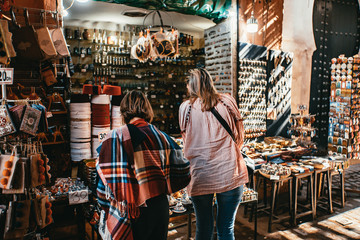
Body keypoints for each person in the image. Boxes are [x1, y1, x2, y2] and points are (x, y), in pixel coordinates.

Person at [96, 90, 191, 240]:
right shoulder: (163, 137)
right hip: (159, 208)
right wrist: (166, 184)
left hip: (129, 211)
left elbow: (103, 188)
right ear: (148, 110)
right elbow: (185, 171)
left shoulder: (113, 139)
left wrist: (107, 208)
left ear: (123, 113)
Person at [179, 68, 248, 240]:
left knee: (203, 229)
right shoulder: (226, 102)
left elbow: (186, 138)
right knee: (226, 228)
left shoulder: (185, 108)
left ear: (191, 86)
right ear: (210, 81)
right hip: (229, 171)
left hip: (200, 174)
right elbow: (240, 136)